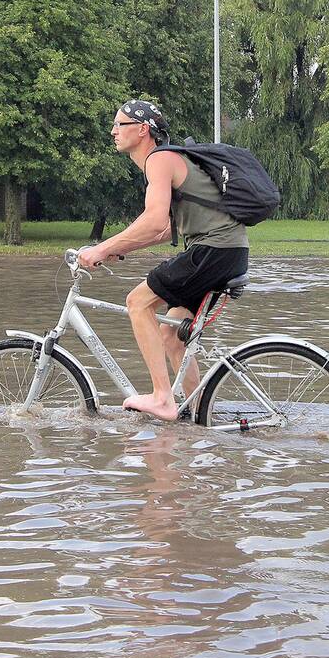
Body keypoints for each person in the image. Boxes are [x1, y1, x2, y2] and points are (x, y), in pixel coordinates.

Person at [78, 99, 249, 420]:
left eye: (120, 124)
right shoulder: (163, 162)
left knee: (138, 303)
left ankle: (162, 398)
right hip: (227, 252)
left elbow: (155, 221)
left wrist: (101, 249)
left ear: (143, 130)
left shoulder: (160, 159)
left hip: (213, 250)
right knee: (171, 334)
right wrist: (119, 247)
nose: (113, 131)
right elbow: (165, 229)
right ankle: (199, 413)